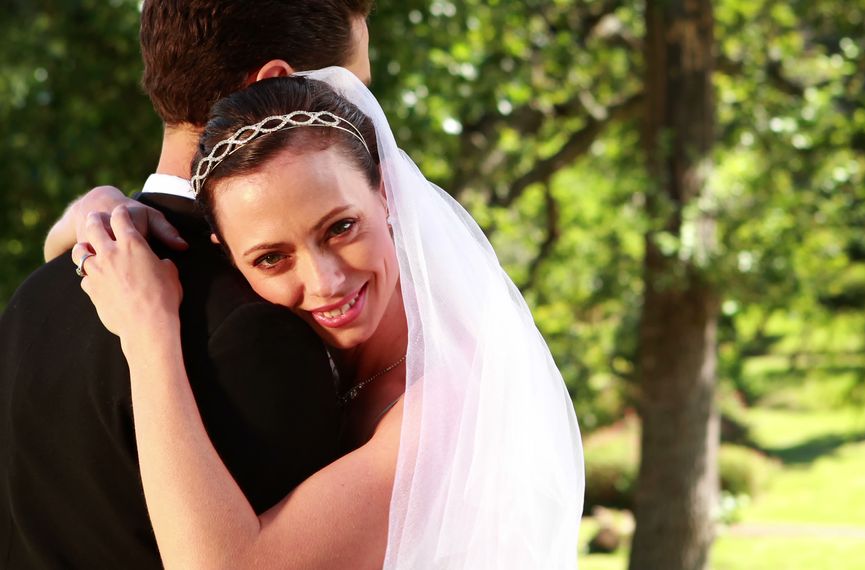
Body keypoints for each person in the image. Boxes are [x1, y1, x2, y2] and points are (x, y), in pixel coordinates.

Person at [75, 68, 585, 568]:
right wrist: (103, 209)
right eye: (271, 258)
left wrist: (147, 333)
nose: (325, 282)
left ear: (386, 194)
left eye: (341, 228)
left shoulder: (452, 398)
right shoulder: (312, 350)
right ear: (229, 259)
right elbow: (65, 243)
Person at [0, 2, 372, 566]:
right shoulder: (259, 334)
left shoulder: (39, 292)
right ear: (279, 86)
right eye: (356, 92)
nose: (372, 119)